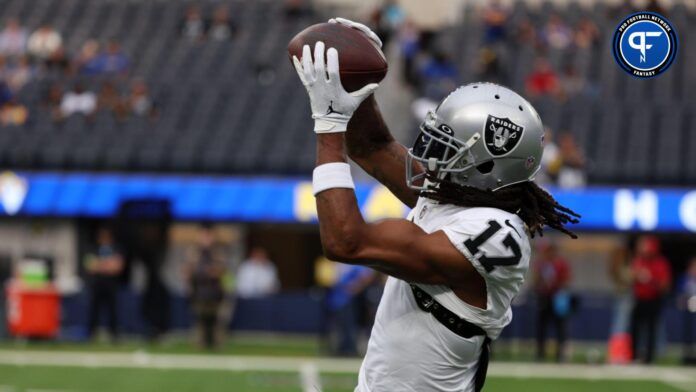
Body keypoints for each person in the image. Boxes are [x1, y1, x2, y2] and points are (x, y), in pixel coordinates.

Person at [292, 18, 579, 392]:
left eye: (449, 147)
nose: (430, 155)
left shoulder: (495, 236)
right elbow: (372, 147)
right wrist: (360, 85)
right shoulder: (461, 192)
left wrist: (328, 125)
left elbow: (347, 241)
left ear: (487, 166)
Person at [630, 236, 671, 364]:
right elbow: (631, 277)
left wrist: (650, 280)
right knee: (635, 327)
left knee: (652, 329)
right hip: (639, 299)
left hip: (654, 299)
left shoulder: (660, 263)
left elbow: (665, 285)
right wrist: (636, 276)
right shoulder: (638, 260)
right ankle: (634, 355)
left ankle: (649, 358)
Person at [184, 225, 227, 350]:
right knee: (199, 318)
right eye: (203, 235)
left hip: (215, 291)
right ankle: (200, 342)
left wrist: (208, 271)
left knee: (215, 318)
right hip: (199, 290)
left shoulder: (218, 251)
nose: (205, 239)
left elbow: (220, 270)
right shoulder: (194, 251)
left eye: (208, 236)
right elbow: (189, 270)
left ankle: (216, 342)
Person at [533, 239, 573, 362]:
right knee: (542, 326)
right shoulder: (541, 263)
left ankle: (560, 353)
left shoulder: (561, 264)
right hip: (544, 297)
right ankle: (540, 352)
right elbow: (535, 280)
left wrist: (557, 285)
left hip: (557, 298)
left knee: (560, 326)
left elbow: (567, 280)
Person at [85, 226, 124, 341]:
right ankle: (91, 334)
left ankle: (114, 334)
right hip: (96, 283)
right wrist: (107, 265)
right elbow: (90, 266)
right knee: (94, 309)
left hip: (111, 284)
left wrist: (100, 264)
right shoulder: (92, 248)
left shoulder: (117, 248)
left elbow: (117, 267)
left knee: (113, 309)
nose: (104, 238)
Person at [327, 265, 375, 356]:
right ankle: (341, 349)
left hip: (348, 300)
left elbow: (367, 276)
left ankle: (350, 350)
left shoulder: (356, 263)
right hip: (336, 301)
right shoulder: (340, 263)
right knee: (339, 327)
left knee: (349, 326)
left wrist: (354, 288)